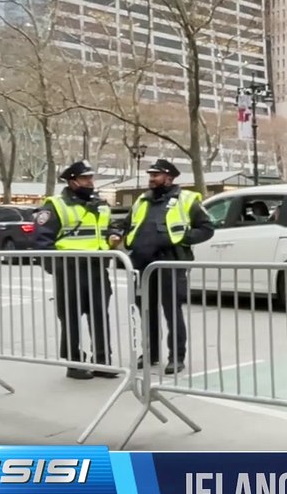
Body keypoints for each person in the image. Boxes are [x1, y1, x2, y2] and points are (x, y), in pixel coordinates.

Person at [108, 159, 214, 374]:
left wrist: (182, 238)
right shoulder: (142, 200)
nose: (151, 179)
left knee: (171, 311)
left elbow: (206, 228)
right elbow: (126, 223)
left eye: (156, 175)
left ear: (169, 177)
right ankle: (150, 354)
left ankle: (177, 357)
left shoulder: (186, 199)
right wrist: (117, 231)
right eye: (151, 175)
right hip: (142, 264)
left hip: (170, 263)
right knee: (145, 310)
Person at [33, 160, 118, 380]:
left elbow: (108, 228)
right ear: (72, 181)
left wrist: (112, 236)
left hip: (97, 267)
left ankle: (103, 361)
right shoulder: (56, 205)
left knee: (100, 315)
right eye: (85, 178)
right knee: (70, 317)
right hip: (70, 268)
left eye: (91, 178)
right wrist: (58, 267)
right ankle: (74, 362)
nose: (90, 182)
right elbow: (42, 240)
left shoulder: (100, 203)